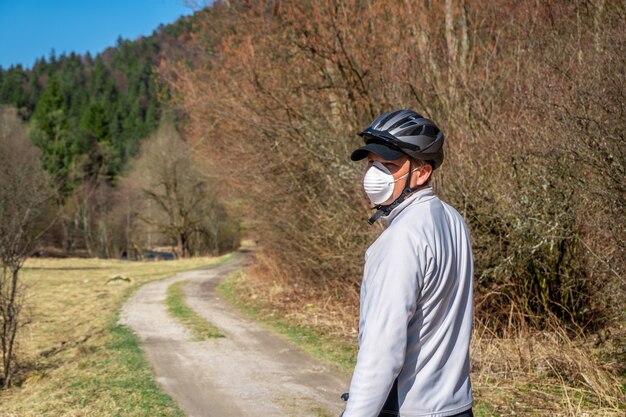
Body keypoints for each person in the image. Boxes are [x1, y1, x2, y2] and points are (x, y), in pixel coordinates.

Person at [342, 109, 474, 417]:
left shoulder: (400, 240)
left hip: (409, 408)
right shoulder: (453, 220)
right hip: (456, 406)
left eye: (389, 165)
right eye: (373, 163)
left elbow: (382, 349)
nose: (374, 175)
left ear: (422, 172)